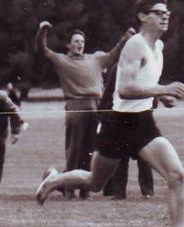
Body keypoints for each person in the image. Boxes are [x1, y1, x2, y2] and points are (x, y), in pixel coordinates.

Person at [35, 0, 184, 227]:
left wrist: (161, 96)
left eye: (167, 13)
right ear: (142, 16)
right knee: (94, 183)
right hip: (118, 124)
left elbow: (143, 82)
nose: (165, 16)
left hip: (143, 123)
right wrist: (162, 89)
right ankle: (56, 179)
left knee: (177, 175)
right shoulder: (134, 45)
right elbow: (125, 89)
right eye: (158, 12)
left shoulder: (157, 46)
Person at [35, 22, 125, 199]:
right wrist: (43, 31)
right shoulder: (62, 60)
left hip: (96, 106)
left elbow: (115, 54)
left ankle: (84, 189)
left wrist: (126, 37)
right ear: (68, 44)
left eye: (82, 41)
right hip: (76, 105)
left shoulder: (95, 59)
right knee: (75, 149)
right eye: (76, 41)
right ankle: (68, 190)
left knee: (92, 149)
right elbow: (42, 50)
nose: (80, 44)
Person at [100, 29, 155, 201]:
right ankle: (118, 192)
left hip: (140, 116)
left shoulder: (148, 66)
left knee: (145, 156)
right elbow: (108, 95)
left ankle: (147, 191)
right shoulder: (117, 69)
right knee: (120, 157)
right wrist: (102, 117)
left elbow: (152, 90)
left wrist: (152, 106)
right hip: (120, 116)